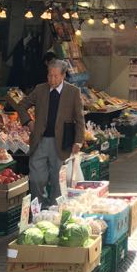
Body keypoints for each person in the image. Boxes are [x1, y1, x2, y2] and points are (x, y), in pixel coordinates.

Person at [18, 59, 85, 206]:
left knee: (58, 181)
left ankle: (55, 210)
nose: (52, 79)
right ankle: (39, 209)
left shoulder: (73, 92)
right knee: (36, 178)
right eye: (49, 75)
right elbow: (22, 106)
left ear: (63, 76)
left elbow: (80, 119)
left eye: (55, 76)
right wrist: (28, 122)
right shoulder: (40, 89)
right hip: (40, 140)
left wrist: (78, 141)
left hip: (61, 143)